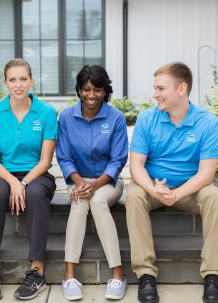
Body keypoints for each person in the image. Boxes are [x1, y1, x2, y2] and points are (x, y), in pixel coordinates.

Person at [126, 62, 218, 303]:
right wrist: (153, 189)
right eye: (154, 88)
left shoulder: (208, 122)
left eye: (160, 88)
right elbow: (136, 165)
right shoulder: (147, 119)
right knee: (133, 195)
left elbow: (206, 174)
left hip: (191, 189)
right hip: (154, 187)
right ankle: (146, 275)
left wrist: (177, 193)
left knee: (214, 196)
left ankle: (212, 275)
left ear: (181, 89)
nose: (154, 94)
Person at [0, 58, 57, 301]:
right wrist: (13, 182)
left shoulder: (45, 113)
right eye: (12, 79)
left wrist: (23, 183)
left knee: (35, 193)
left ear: (31, 81)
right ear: (5, 83)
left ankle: (37, 271)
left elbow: (45, 161)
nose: (18, 84)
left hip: (37, 175)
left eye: (23, 78)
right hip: (4, 174)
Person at [56, 65, 129, 301]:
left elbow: (118, 160)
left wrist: (95, 184)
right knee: (79, 202)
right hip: (78, 179)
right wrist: (79, 183)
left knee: (97, 201)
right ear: (79, 90)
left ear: (105, 91)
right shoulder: (66, 118)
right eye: (86, 89)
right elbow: (64, 157)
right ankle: (69, 276)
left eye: (97, 90)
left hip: (107, 182)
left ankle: (118, 273)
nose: (91, 95)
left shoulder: (116, 118)